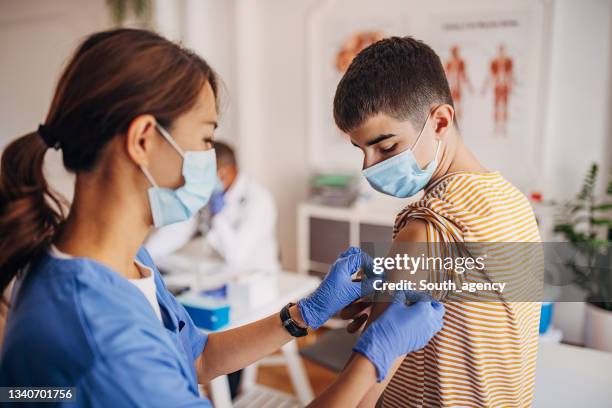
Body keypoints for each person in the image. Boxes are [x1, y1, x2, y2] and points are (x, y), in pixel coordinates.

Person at [0, 29, 444, 407]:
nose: (211, 160)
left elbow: (197, 359)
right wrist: (374, 355)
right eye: (207, 138)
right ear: (142, 141)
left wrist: (303, 315)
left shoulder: (129, 262)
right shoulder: (101, 338)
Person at [334, 37, 541, 407]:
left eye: (386, 147)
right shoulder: (512, 199)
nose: (368, 167)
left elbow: (363, 397)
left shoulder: (429, 226)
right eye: (361, 150)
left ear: (440, 121)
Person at [145, 140, 280, 272]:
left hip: (258, 277)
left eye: (207, 173)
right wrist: (145, 254)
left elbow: (236, 256)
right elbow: (180, 229)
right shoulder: (212, 195)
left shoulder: (259, 199)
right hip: (221, 274)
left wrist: (218, 216)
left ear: (224, 172)